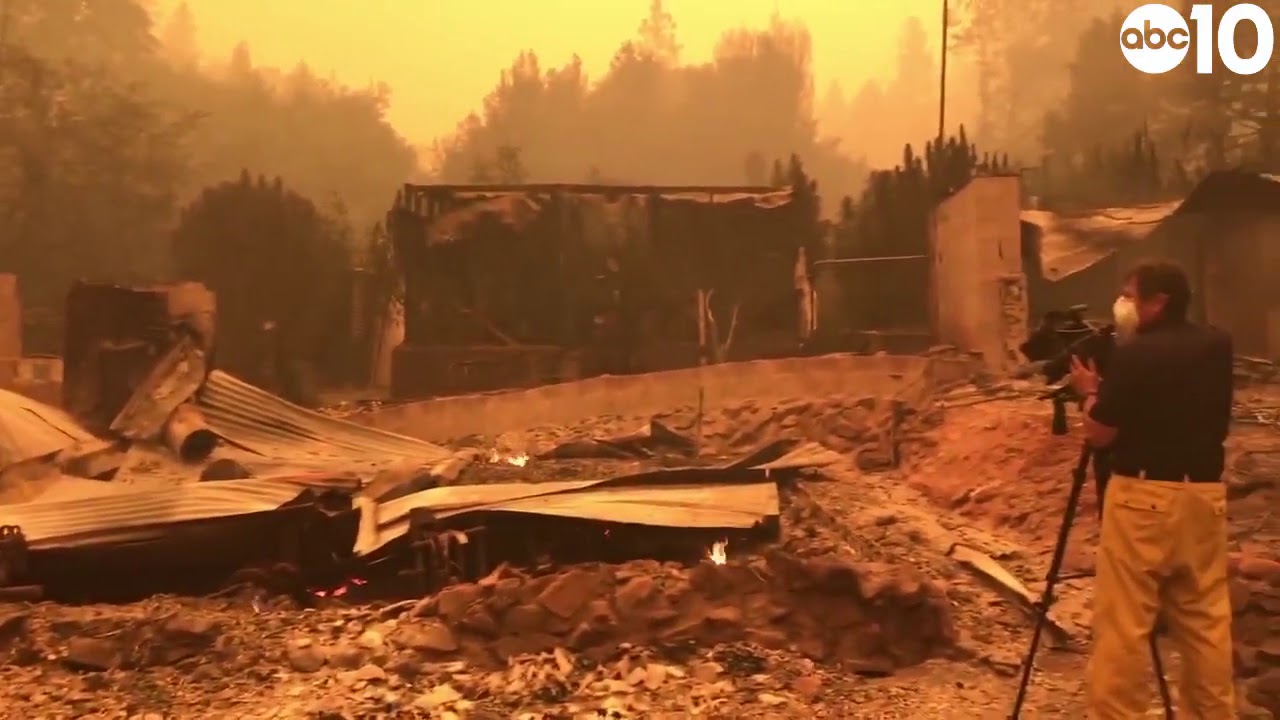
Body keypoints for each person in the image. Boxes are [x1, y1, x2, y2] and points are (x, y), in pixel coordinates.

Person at [1068, 260, 1235, 719]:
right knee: (1206, 627)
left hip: (1143, 499)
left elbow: (1101, 434)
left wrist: (1089, 391)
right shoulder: (1218, 344)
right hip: (1204, 499)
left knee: (1124, 629)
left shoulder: (1137, 354)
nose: (1125, 305)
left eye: (1132, 295)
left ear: (1159, 302)